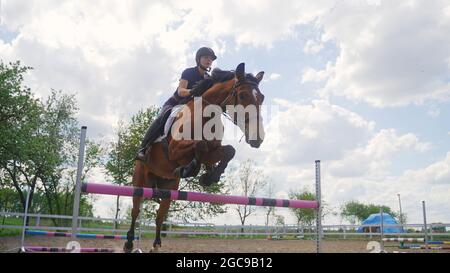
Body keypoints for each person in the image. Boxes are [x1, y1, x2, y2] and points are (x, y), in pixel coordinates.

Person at [136, 47, 217, 161]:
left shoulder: (209, 79)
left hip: (193, 107)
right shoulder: (189, 72)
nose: (209, 60)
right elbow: (181, 90)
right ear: (199, 59)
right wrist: (192, 91)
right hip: (176, 103)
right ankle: (143, 148)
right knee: (163, 117)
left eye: (211, 59)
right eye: (206, 57)